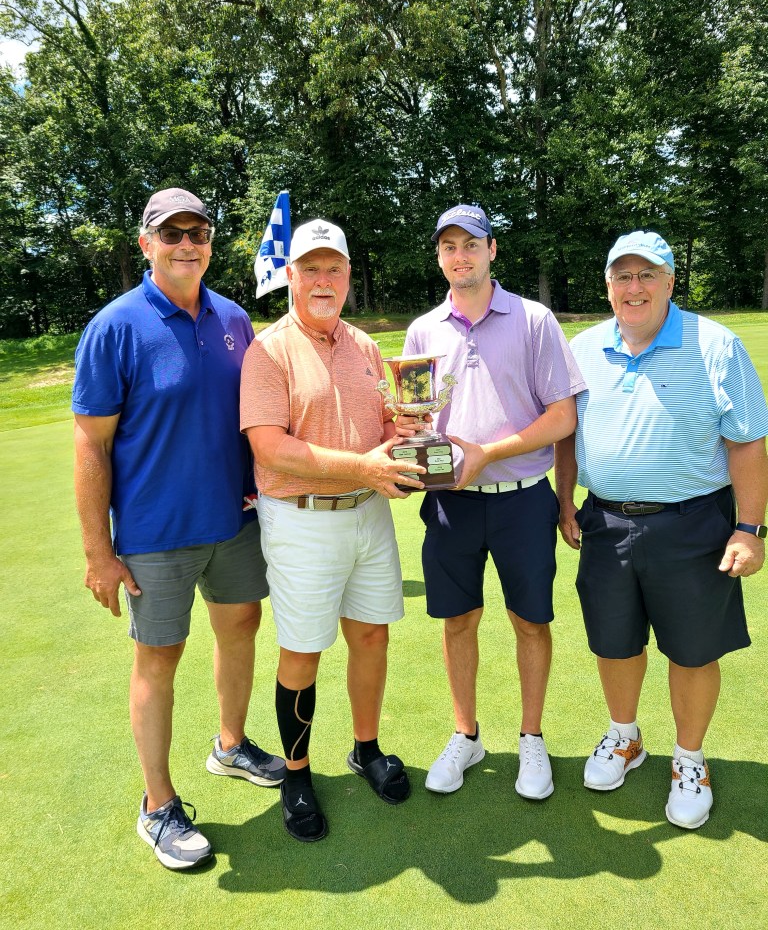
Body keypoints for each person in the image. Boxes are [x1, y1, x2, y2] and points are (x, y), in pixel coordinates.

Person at [72, 187, 285, 871]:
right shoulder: (115, 326)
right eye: (172, 234)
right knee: (159, 656)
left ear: (211, 244)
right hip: (154, 531)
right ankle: (158, 804)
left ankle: (231, 744)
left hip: (233, 520)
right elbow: (91, 444)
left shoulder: (234, 318)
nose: (187, 244)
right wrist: (98, 552)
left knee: (242, 626)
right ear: (146, 244)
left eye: (199, 233)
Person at [555, 230, 768, 829]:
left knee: (694, 650)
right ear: (608, 285)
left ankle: (689, 759)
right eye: (623, 276)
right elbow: (567, 433)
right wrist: (565, 500)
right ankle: (625, 737)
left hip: (693, 524)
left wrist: (750, 528)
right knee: (614, 640)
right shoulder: (584, 348)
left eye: (647, 274)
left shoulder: (716, 345)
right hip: (605, 521)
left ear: (671, 281)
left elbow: (748, 442)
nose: (635, 287)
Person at [240, 218, 425, 842]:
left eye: (335, 269)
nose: (324, 280)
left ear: (348, 276)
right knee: (303, 650)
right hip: (301, 519)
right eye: (311, 268)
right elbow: (269, 447)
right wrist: (365, 466)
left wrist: (403, 438)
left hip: (367, 511)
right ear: (290, 276)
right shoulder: (268, 350)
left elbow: (382, 427)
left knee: (371, 635)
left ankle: (365, 748)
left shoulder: (365, 346)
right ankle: (296, 775)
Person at [403, 203, 586, 799]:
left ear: (492, 250)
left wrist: (487, 452)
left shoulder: (534, 319)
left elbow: (562, 416)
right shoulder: (424, 330)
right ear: (439, 257)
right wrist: (408, 440)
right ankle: (467, 734)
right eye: (449, 246)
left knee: (530, 621)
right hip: (451, 503)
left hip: (522, 499)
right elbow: (415, 417)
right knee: (458, 620)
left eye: (471, 244)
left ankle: (531, 737)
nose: (460, 256)